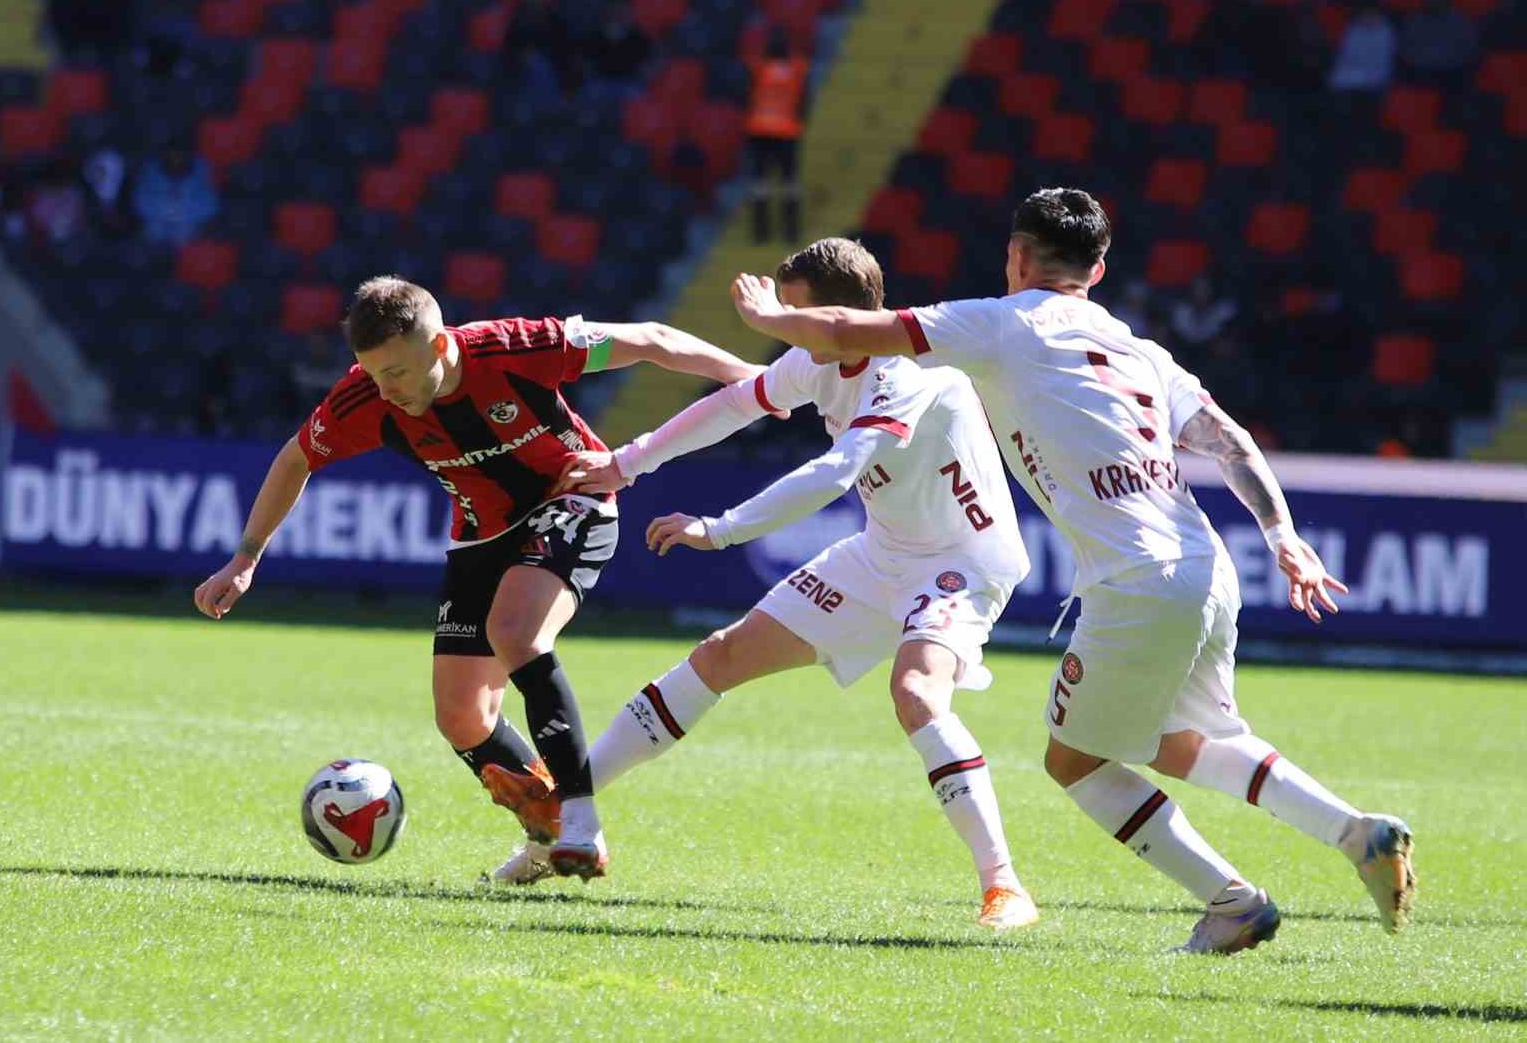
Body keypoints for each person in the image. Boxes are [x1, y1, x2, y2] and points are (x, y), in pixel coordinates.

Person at [727, 189, 1417, 954]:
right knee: (1178, 742)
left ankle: (1234, 904)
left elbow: (852, 328)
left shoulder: (999, 321)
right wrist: (1283, 534)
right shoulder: (1139, 348)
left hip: (1136, 581)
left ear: (1018, 256)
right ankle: (1357, 834)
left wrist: (767, 319)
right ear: (1098, 268)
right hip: (1205, 567)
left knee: (1075, 761)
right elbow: (1227, 441)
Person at [485, 238, 1039, 930]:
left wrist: (721, 529)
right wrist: (627, 463)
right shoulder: (818, 357)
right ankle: (567, 818)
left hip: (962, 563)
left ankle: (1005, 887)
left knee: (916, 690)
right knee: (719, 656)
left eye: (796, 316)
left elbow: (833, 474)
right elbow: (733, 406)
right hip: (882, 553)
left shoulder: (906, 371)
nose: (788, 332)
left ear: (839, 315)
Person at [192, 276, 765, 879]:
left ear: (439, 347)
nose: (387, 390)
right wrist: (246, 557)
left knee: (516, 633)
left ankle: (579, 821)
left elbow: (651, 339)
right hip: (481, 534)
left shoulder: (517, 347)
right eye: (374, 373)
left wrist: (754, 382)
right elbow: (295, 458)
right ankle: (545, 833)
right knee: (462, 716)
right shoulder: (365, 398)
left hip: (574, 500)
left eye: (398, 373)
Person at [744, 27, 809, 244]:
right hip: (787, 133)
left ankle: (760, 234)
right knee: (789, 184)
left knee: (760, 184)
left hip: (759, 132)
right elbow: (804, 101)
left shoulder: (758, 68)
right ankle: (791, 233)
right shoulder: (797, 69)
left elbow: (746, 98)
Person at [133, 145, 218, 247]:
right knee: (154, 231)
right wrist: (164, 208)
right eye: (173, 156)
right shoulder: (151, 172)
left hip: (188, 222)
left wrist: (183, 211)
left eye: (180, 156)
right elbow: (140, 201)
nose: (176, 160)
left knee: (185, 234)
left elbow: (210, 205)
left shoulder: (201, 173)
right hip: (156, 220)